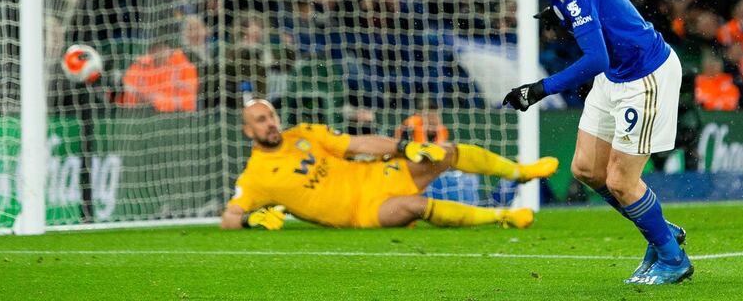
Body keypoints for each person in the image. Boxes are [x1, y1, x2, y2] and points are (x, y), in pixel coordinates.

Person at [501, 0, 692, 285]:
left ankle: (674, 259)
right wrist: (561, 12)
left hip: (644, 74)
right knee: (586, 170)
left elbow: (596, 58)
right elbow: (600, 2)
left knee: (622, 181)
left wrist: (539, 89)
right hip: (615, 75)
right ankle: (662, 230)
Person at [221, 99, 559, 230]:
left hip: (377, 173)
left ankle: (522, 172)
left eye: (270, 116)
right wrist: (252, 221)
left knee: (444, 151)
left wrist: (405, 147)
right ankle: (503, 218)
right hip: (364, 211)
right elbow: (229, 219)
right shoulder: (255, 177)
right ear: (248, 130)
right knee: (415, 205)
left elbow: (359, 144)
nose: (269, 124)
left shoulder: (304, 134)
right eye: (260, 121)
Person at [116, 40, 199, 113]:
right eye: (157, 49)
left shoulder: (182, 65)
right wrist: (144, 96)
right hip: (141, 113)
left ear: (169, 49)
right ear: (151, 51)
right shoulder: (141, 64)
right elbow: (127, 86)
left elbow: (190, 97)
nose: (160, 53)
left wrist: (159, 100)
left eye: (163, 48)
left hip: (178, 115)